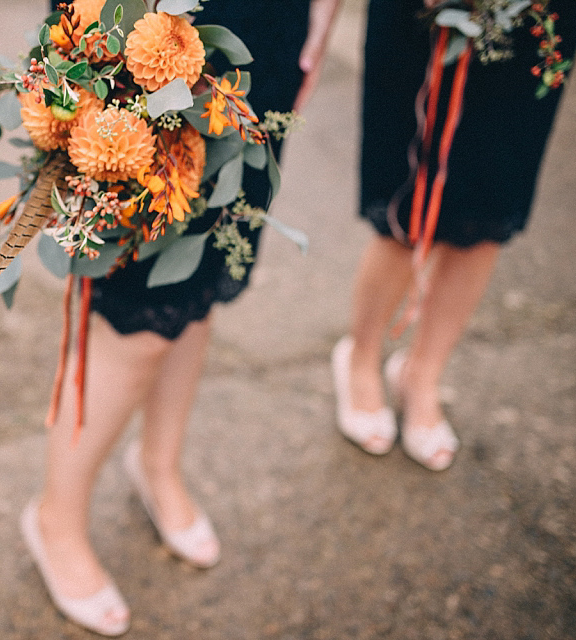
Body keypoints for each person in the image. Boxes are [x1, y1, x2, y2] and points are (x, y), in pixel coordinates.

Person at [21, 0, 341, 635]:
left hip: (261, 25)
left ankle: (159, 463)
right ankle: (57, 515)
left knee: (203, 277)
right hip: (136, 21)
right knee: (137, 312)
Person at [332, 0, 576, 470]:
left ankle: (422, 374)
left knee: (489, 212)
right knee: (404, 206)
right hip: (425, 19)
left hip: (540, 21)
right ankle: (361, 360)